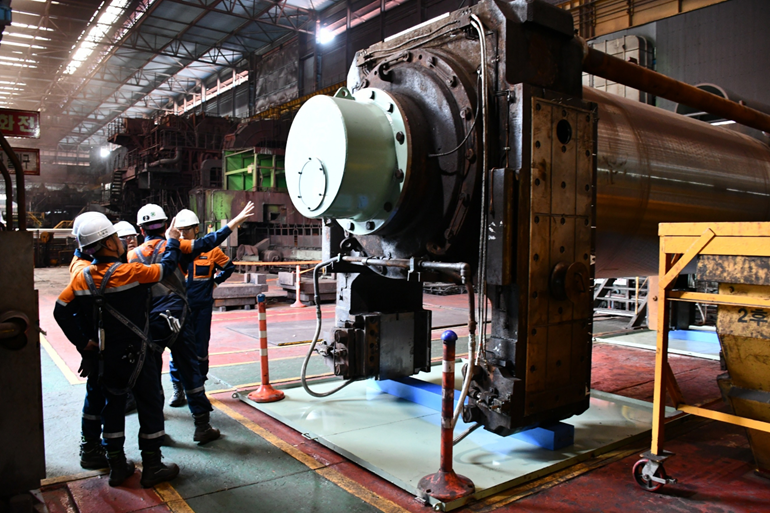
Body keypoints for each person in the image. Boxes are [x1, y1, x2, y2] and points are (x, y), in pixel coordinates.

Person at [54, 212, 182, 487]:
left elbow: (61, 310)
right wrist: (172, 240)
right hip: (140, 353)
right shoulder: (131, 272)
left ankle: (117, 467)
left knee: (112, 407)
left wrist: (82, 342)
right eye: (116, 237)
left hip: (106, 357)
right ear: (109, 243)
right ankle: (152, 466)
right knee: (149, 405)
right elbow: (165, 268)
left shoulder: (82, 278)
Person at [129, 201, 254, 443]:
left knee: (151, 373)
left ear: (141, 230)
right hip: (179, 317)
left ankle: (155, 432)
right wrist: (234, 222)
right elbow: (209, 242)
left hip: (151, 320)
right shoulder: (178, 246)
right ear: (168, 226)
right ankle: (202, 426)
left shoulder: (132, 255)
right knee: (190, 367)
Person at [175, 209, 235, 383]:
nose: (183, 234)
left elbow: (229, 267)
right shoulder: (175, 251)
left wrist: (215, 282)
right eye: (180, 231)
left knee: (200, 346)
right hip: (180, 308)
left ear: (196, 229)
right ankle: (177, 385)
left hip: (202, 308)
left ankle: (199, 381)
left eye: (186, 230)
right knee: (177, 345)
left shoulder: (212, 251)